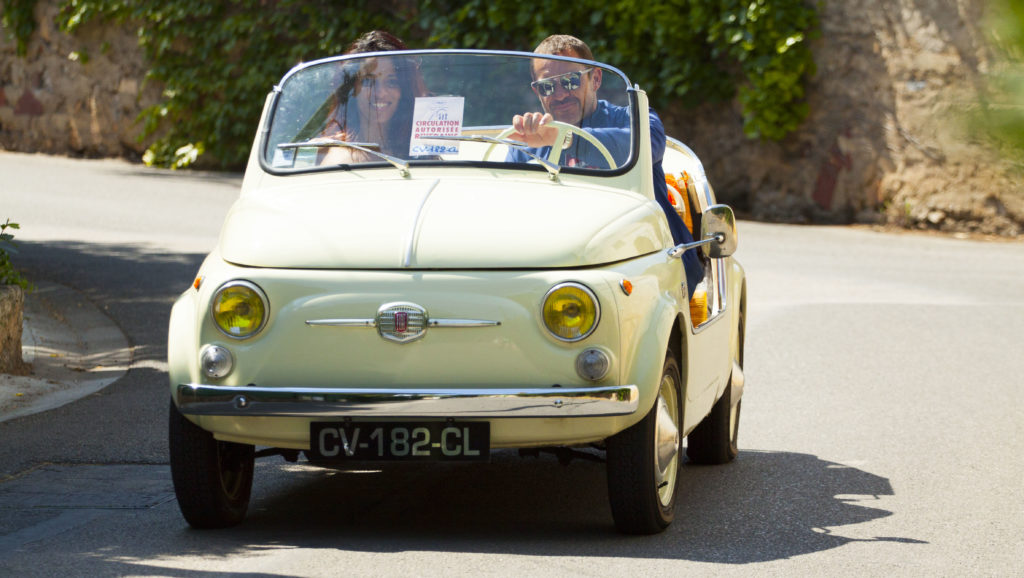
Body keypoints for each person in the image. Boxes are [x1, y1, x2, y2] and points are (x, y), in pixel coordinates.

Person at [507, 35, 705, 297]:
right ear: (537, 92)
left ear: (595, 79)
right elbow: (510, 211)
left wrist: (562, 138)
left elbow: (647, 147)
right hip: (556, 264)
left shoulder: (631, 119)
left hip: (641, 259)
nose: (560, 94)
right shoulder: (528, 139)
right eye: (547, 87)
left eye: (570, 81)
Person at [320, 30, 427, 164]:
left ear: (404, 91)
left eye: (392, 82)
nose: (380, 93)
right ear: (352, 89)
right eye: (368, 81)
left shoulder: (420, 149)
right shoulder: (340, 157)